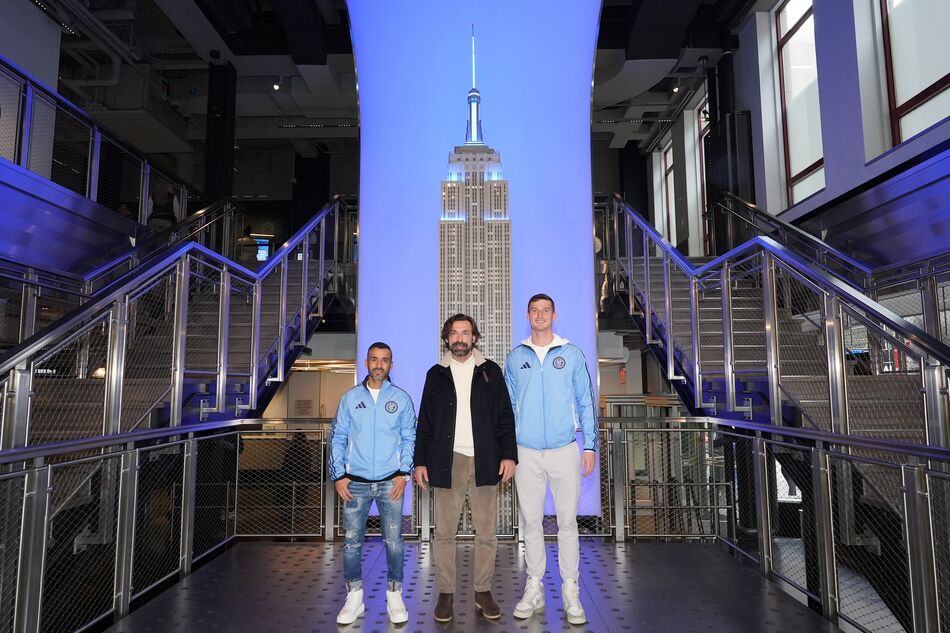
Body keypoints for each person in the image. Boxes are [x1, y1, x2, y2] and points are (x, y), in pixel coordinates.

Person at [415, 314, 517, 623]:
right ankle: (446, 594)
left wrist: (509, 455)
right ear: (446, 339)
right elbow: (426, 423)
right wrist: (420, 461)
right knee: (444, 533)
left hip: (486, 459)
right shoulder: (435, 374)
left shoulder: (491, 371)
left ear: (475, 338)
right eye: (455, 333)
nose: (460, 338)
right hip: (448, 461)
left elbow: (505, 417)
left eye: (466, 333)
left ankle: (482, 591)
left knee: (486, 532)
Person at [503, 293, 597, 625]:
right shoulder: (515, 358)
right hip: (526, 452)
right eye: (535, 311)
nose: (540, 315)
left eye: (546, 310)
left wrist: (590, 446)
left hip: (564, 449)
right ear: (527, 315)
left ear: (554, 315)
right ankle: (534, 586)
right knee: (530, 522)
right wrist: (507, 451)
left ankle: (570, 590)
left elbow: (585, 401)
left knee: (567, 523)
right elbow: (508, 409)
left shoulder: (571, 354)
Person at [328, 342, 416, 625]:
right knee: (352, 542)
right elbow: (338, 435)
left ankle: (395, 596)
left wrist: (404, 472)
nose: (379, 364)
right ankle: (354, 599)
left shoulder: (401, 399)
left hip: (392, 482)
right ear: (366, 363)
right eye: (374, 360)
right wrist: (339, 474)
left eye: (385, 360)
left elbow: (409, 437)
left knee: (394, 541)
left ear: (391, 365)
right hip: (355, 483)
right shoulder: (350, 398)